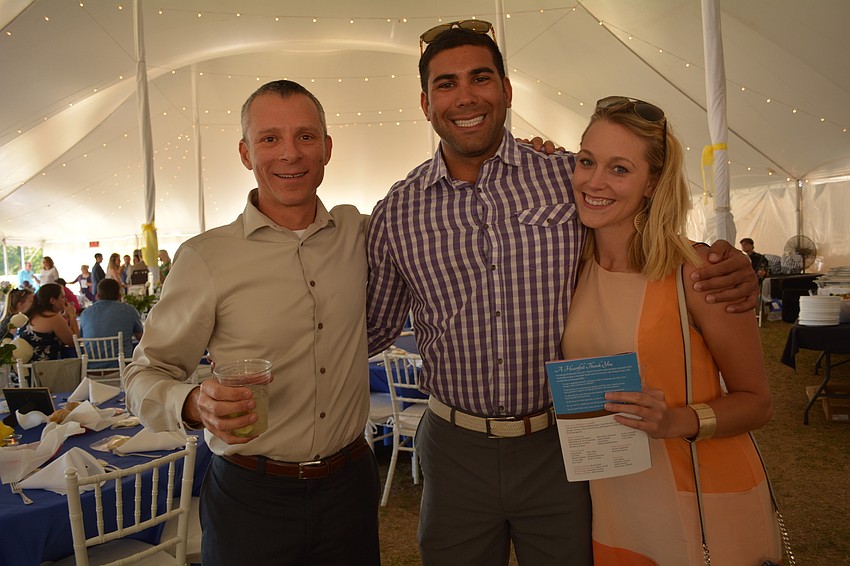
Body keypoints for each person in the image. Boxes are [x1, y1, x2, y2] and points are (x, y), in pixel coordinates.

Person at [366, 24, 758, 566]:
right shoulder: (398, 211)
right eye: (446, 84)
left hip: (563, 438)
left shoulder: (567, 176)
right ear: (425, 103)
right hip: (456, 445)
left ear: (506, 90)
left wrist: (723, 263)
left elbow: (638, 225)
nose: (466, 97)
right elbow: (370, 328)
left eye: (481, 78)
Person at [124, 80, 379, 566]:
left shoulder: (360, 232)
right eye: (269, 138)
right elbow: (144, 372)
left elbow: (438, 211)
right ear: (246, 153)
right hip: (250, 498)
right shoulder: (206, 257)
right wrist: (193, 403)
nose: (290, 153)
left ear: (327, 148)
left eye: (306, 136)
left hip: (350, 488)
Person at [561, 96, 781, 563]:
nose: (594, 182)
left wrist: (677, 421)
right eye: (586, 161)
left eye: (619, 169)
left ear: (652, 182)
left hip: (703, 502)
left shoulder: (698, 273)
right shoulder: (569, 268)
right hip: (614, 502)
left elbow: (757, 402)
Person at [79, 278, 143, 366]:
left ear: (97, 296)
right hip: (122, 368)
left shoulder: (85, 313)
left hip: (91, 369)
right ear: (119, 296)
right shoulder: (129, 310)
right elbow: (142, 339)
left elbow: (82, 337)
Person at [17, 283, 78, 361]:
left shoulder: (34, 314)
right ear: (52, 301)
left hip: (29, 365)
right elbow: (74, 342)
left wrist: (63, 317)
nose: (66, 300)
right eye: (62, 297)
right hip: (47, 367)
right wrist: (72, 316)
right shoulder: (54, 318)